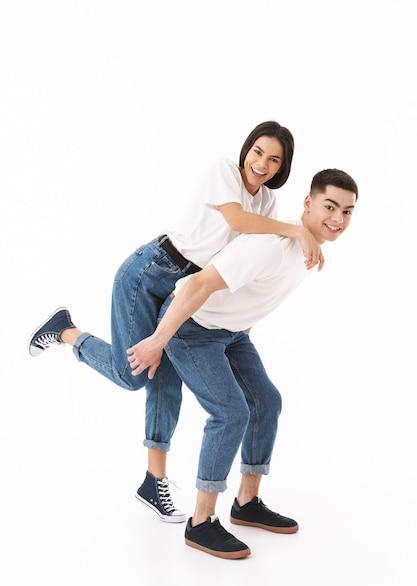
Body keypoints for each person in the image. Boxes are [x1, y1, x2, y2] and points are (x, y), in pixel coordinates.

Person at [28, 120, 324, 525]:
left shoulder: (267, 203)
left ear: (282, 167)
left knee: (165, 381)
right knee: (133, 374)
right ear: (246, 149)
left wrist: (242, 321)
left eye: (274, 160)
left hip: (185, 291)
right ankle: (67, 332)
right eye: (258, 152)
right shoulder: (224, 171)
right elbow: (237, 222)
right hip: (151, 273)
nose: (262, 164)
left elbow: (243, 261)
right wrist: (296, 229)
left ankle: (154, 481)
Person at [126, 168, 358, 559]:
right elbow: (197, 285)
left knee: (266, 401)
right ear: (308, 203)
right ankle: (201, 523)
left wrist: (241, 332)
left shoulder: (307, 249)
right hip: (190, 326)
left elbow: (256, 293)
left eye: (348, 212)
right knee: (230, 413)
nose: (337, 219)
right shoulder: (271, 244)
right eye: (330, 207)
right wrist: (156, 342)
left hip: (227, 331)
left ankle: (247, 504)